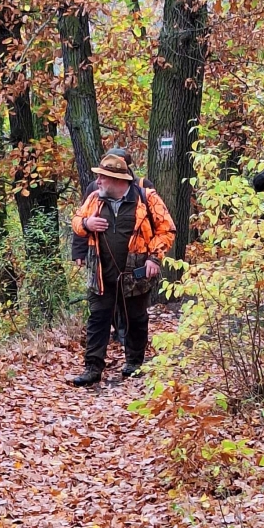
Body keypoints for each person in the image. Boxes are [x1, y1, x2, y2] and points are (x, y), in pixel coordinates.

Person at [71, 153, 176, 387]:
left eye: (103, 177)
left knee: (135, 319)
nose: (98, 181)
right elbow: (77, 221)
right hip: (101, 273)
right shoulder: (94, 199)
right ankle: (92, 368)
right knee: (97, 319)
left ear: (118, 180)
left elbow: (167, 229)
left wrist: (154, 258)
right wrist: (87, 224)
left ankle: (134, 363)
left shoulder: (146, 198)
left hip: (135, 274)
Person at [71, 148, 154, 344]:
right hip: (102, 260)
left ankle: (131, 340)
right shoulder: (94, 189)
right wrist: (79, 250)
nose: (100, 179)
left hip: (136, 262)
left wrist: (153, 256)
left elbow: (155, 223)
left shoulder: (143, 188)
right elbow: (82, 219)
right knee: (105, 302)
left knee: (133, 304)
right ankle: (118, 331)